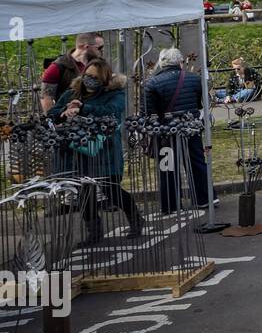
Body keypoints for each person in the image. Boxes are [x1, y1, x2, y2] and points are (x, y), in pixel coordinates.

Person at [48, 58, 143, 242]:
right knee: (85, 193)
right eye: (88, 76)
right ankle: (94, 233)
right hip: (79, 152)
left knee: (112, 190)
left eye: (95, 77)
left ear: (104, 79)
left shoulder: (114, 93)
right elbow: (52, 113)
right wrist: (64, 112)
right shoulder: (71, 93)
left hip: (105, 150)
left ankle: (136, 220)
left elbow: (112, 111)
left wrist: (83, 108)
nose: (90, 80)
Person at [142, 48, 211, 213]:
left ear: (162, 63)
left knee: (167, 166)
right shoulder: (194, 79)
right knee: (196, 161)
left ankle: (170, 204)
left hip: (165, 130)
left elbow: (147, 112)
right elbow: (200, 103)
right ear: (181, 62)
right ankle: (204, 198)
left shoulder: (152, 83)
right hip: (190, 126)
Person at [40, 32, 105, 112]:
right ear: (86, 47)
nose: (102, 50)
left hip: (97, 115)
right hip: (70, 117)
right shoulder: (58, 67)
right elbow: (46, 97)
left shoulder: (100, 64)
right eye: (99, 47)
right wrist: (53, 119)